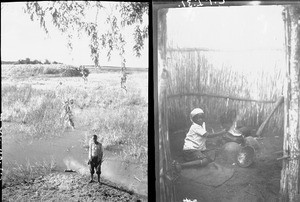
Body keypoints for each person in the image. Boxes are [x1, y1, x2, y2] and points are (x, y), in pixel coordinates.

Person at [174, 108, 229, 172]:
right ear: (193, 120)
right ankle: (181, 165)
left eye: (201, 117)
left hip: (195, 150)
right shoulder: (195, 127)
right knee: (205, 161)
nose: (200, 119)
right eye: (197, 118)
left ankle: (196, 160)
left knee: (211, 155)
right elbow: (208, 135)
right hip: (190, 151)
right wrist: (221, 132)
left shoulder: (202, 125)